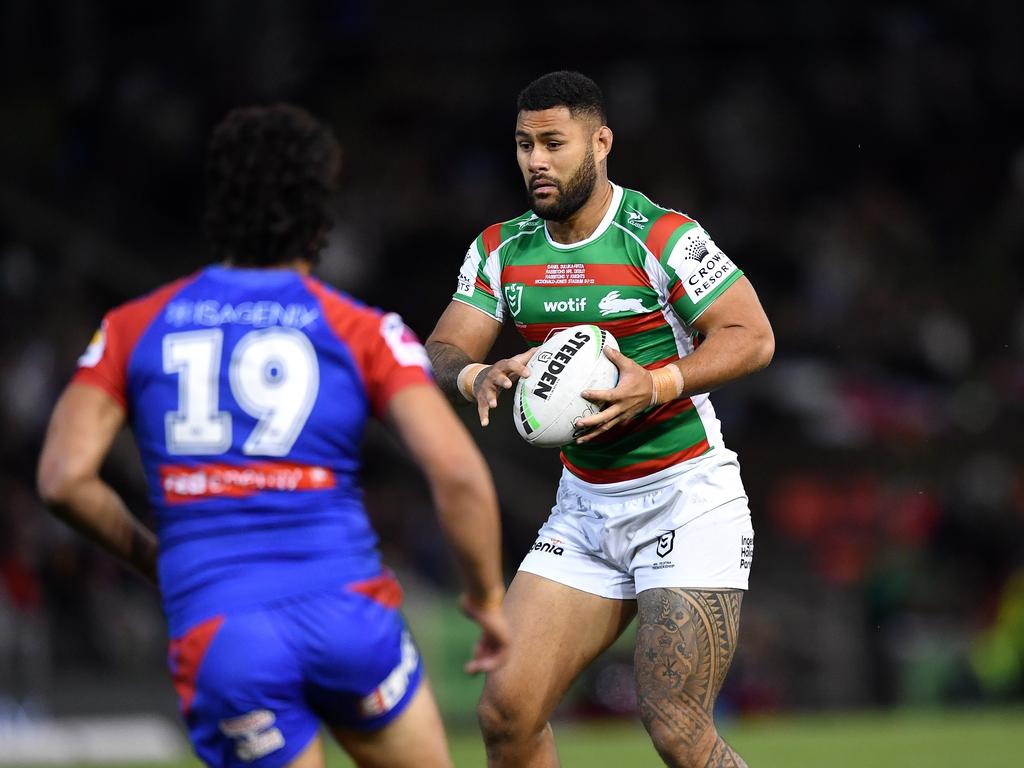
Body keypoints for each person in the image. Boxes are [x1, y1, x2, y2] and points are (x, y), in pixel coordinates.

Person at [36, 104, 510, 768]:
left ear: (218, 206)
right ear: (320, 216)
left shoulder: (133, 326)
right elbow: (457, 474)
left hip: (225, 634)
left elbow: (62, 479)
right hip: (350, 617)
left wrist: (157, 560)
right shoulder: (362, 329)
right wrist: (486, 599)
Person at [426, 71, 774, 767]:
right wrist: (474, 373)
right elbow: (440, 347)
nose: (536, 161)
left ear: (601, 141)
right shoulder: (501, 249)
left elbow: (752, 336)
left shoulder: (662, 236)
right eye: (525, 145)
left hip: (685, 501)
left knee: (676, 726)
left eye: (554, 142)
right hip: (584, 513)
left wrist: (659, 382)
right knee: (506, 714)